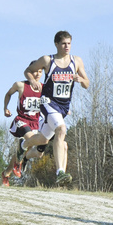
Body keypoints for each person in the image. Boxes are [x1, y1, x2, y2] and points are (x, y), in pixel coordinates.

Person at [20, 30, 90, 185]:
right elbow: (28, 71)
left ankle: (23, 145)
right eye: (64, 43)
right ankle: (60, 172)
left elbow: (87, 84)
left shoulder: (76, 61)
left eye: (69, 43)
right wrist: (32, 80)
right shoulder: (47, 60)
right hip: (48, 102)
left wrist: (80, 79)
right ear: (57, 44)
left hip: (63, 107)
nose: (67, 47)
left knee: (42, 139)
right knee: (61, 130)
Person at [1, 68, 46, 186]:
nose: (37, 74)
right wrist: (5, 108)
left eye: (40, 72)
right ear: (29, 73)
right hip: (22, 120)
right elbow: (8, 94)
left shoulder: (44, 88)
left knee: (35, 152)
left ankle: (6, 173)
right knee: (29, 138)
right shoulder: (20, 85)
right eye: (35, 71)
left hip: (35, 122)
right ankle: (20, 161)